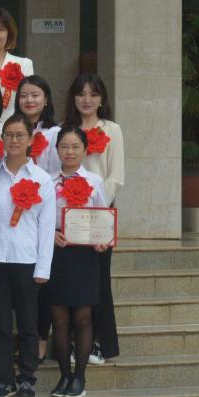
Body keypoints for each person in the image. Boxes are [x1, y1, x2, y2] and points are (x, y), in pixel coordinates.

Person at [0, 113, 55, 397]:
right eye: (9, 135)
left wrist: (43, 267)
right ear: (2, 139)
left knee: (28, 325)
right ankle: (4, 379)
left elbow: (47, 227)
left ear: (30, 140)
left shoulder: (42, 179)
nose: (13, 140)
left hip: (27, 261)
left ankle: (27, 377)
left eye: (19, 135)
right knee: (1, 325)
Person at [43, 127, 108, 397]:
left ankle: (79, 376)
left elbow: (103, 217)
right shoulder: (46, 181)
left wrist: (102, 239)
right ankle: (64, 376)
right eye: (64, 147)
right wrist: (49, 235)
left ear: (85, 150)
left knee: (82, 316)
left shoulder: (94, 181)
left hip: (84, 253)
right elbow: (38, 218)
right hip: (56, 252)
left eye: (75, 147)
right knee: (59, 318)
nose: (69, 152)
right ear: (56, 150)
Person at [65, 73, 125, 364]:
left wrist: (93, 203)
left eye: (93, 94)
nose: (87, 100)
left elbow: (116, 176)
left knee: (100, 281)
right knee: (73, 280)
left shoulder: (112, 129)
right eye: (81, 93)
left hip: (99, 215)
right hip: (69, 217)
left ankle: (101, 342)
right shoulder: (65, 129)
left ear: (102, 99)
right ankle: (72, 342)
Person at [16, 75, 61, 177]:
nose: (29, 100)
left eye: (35, 95)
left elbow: (56, 172)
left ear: (46, 100)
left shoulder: (55, 133)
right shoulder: (12, 130)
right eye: (23, 96)